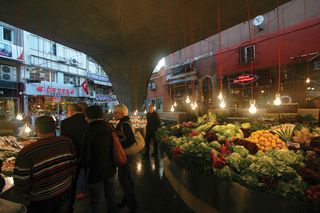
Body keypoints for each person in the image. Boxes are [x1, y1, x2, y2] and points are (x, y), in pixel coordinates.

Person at [13, 116, 76, 213]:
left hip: (41, 199)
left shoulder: (27, 152)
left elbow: (21, 182)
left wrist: (27, 196)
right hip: (65, 189)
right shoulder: (67, 142)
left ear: (36, 129)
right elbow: (73, 166)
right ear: (55, 127)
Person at [81, 105, 117, 213]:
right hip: (110, 167)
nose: (85, 118)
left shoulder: (88, 132)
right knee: (110, 194)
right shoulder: (109, 127)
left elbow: (86, 156)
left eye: (85, 116)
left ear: (89, 116)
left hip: (95, 171)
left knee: (95, 200)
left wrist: (83, 165)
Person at [60, 103, 88, 211]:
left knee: (74, 176)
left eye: (67, 111)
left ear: (71, 111)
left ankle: (71, 204)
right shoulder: (87, 120)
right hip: (86, 152)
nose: (67, 113)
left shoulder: (66, 122)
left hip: (72, 153)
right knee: (85, 171)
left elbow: (64, 141)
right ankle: (85, 190)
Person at [113, 104, 138, 213]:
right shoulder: (125, 122)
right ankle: (127, 200)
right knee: (127, 178)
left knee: (123, 180)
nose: (114, 114)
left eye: (115, 112)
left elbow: (131, 140)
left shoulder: (124, 123)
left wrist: (119, 145)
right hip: (127, 154)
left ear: (121, 113)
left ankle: (132, 205)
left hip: (126, 154)